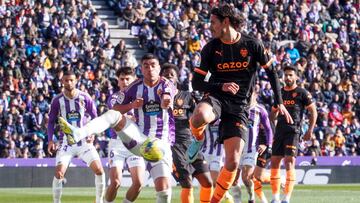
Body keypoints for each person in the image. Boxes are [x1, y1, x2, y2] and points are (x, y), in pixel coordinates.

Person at [186, 4, 292, 203]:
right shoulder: (211, 47)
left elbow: (272, 74)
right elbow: (197, 82)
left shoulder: (253, 44)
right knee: (199, 116)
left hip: (240, 106)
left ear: (226, 22)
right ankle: (198, 138)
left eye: (213, 22)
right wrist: (221, 85)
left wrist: (280, 102)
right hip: (216, 97)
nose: (210, 27)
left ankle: (214, 201)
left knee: (233, 163)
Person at [59, 54, 176, 203]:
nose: (150, 69)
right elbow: (115, 106)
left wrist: (166, 100)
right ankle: (78, 133)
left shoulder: (166, 84)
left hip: (160, 143)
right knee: (114, 114)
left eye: (153, 65)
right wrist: (132, 106)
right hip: (138, 138)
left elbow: (168, 94)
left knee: (164, 191)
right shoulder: (134, 88)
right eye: (146, 65)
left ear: (159, 68)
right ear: (141, 69)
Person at [47, 70, 105, 203]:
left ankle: (99, 201)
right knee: (59, 174)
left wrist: (93, 133)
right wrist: (50, 140)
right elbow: (50, 121)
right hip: (66, 144)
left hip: (84, 142)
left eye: (71, 80)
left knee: (100, 170)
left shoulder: (85, 97)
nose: (69, 82)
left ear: (76, 81)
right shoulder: (57, 100)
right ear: (62, 81)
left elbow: (96, 117)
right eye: (66, 80)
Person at [161, 63, 213, 203]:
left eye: (171, 74)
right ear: (161, 78)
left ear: (177, 78)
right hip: (173, 145)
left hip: (191, 144)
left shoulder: (187, 96)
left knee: (207, 183)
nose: (168, 77)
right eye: (165, 75)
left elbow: (199, 117)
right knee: (187, 183)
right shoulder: (156, 97)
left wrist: (200, 100)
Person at [270, 64, 317, 203]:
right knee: (274, 162)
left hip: (293, 131)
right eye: (286, 75)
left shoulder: (302, 93)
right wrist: (273, 118)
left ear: (296, 76)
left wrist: (310, 130)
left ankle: (287, 198)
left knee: (289, 161)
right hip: (279, 132)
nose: (288, 77)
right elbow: (272, 114)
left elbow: (313, 111)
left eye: (291, 75)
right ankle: (275, 198)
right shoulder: (279, 93)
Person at [105, 67, 145, 203]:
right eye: (122, 79)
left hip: (136, 143)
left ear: (134, 80)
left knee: (139, 183)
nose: (125, 81)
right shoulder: (115, 97)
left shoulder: (142, 96)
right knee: (116, 182)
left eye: (128, 78)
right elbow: (116, 114)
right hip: (117, 144)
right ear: (118, 81)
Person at [232, 91, 274, 203]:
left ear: (255, 95)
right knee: (233, 179)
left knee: (246, 178)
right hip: (237, 148)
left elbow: (268, 128)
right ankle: (238, 201)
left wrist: (268, 145)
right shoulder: (238, 108)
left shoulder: (260, 110)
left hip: (251, 149)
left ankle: (251, 198)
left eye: (250, 94)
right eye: (247, 94)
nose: (248, 96)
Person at [201, 121, 234, 203]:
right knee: (205, 183)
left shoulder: (222, 120)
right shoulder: (204, 120)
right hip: (204, 153)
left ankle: (222, 196)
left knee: (214, 179)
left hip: (218, 154)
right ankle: (225, 194)